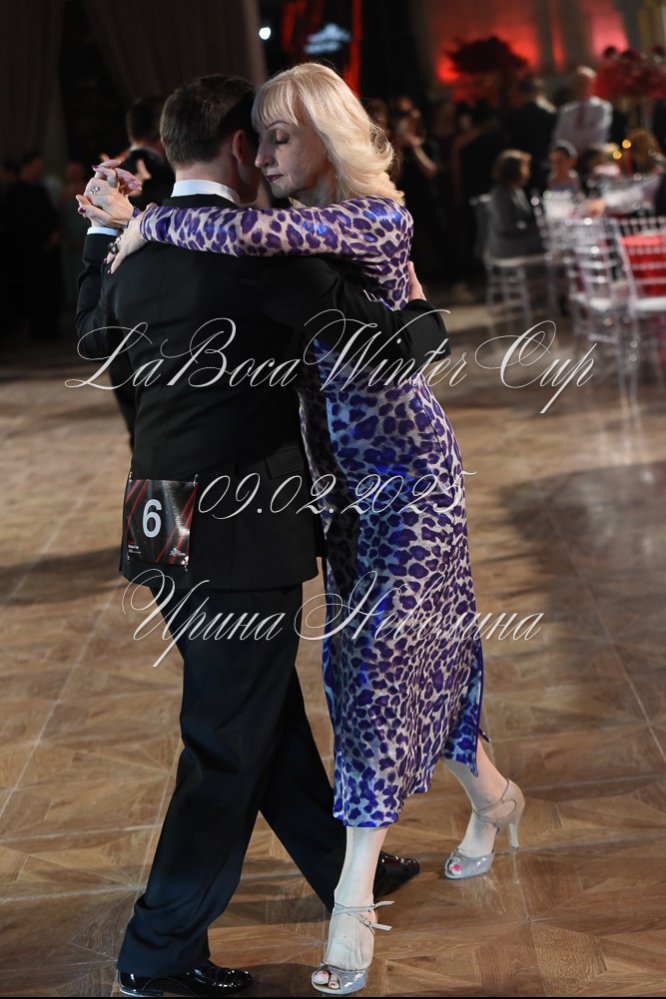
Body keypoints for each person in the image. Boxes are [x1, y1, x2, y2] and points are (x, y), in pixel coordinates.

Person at [91, 63, 525, 996]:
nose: (271, 159)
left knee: (259, 710)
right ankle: (157, 950)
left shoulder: (138, 250)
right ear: (240, 145)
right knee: (229, 737)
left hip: (156, 515)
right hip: (237, 528)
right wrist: (420, 316)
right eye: (267, 139)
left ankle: (341, 864)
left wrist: (113, 229)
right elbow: (394, 347)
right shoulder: (263, 256)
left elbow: (98, 335)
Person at [486, 149, 543, 259]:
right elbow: (507, 227)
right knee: (547, 241)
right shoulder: (500, 195)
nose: (528, 173)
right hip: (508, 245)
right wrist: (533, 228)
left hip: (520, 237)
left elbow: (527, 217)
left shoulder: (517, 190)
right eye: (525, 168)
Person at [553, 66, 612, 154]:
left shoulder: (601, 108)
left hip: (592, 155)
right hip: (570, 156)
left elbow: (600, 134)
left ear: (592, 83)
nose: (579, 87)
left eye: (583, 83)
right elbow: (559, 137)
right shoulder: (566, 110)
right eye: (577, 83)